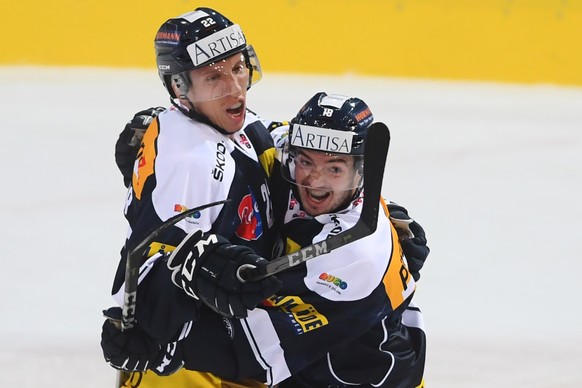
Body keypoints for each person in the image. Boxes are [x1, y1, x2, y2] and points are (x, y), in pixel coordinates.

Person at [103, 92, 429, 387]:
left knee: (164, 357)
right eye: (305, 161)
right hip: (299, 364)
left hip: (347, 379)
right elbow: (239, 136)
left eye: (334, 169)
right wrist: (167, 141)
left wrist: (163, 349)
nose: (314, 181)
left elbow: (255, 352)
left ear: (362, 171)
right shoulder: (287, 155)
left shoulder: (360, 255)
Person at [107, 6, 284, 388]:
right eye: (214, 76)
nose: (235, 86)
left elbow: (273, 140)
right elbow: (149, 266)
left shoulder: (233, 124)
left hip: (235, 351)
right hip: (186, 370)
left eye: (239, 67)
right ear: (179, 88)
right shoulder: (189, 159)